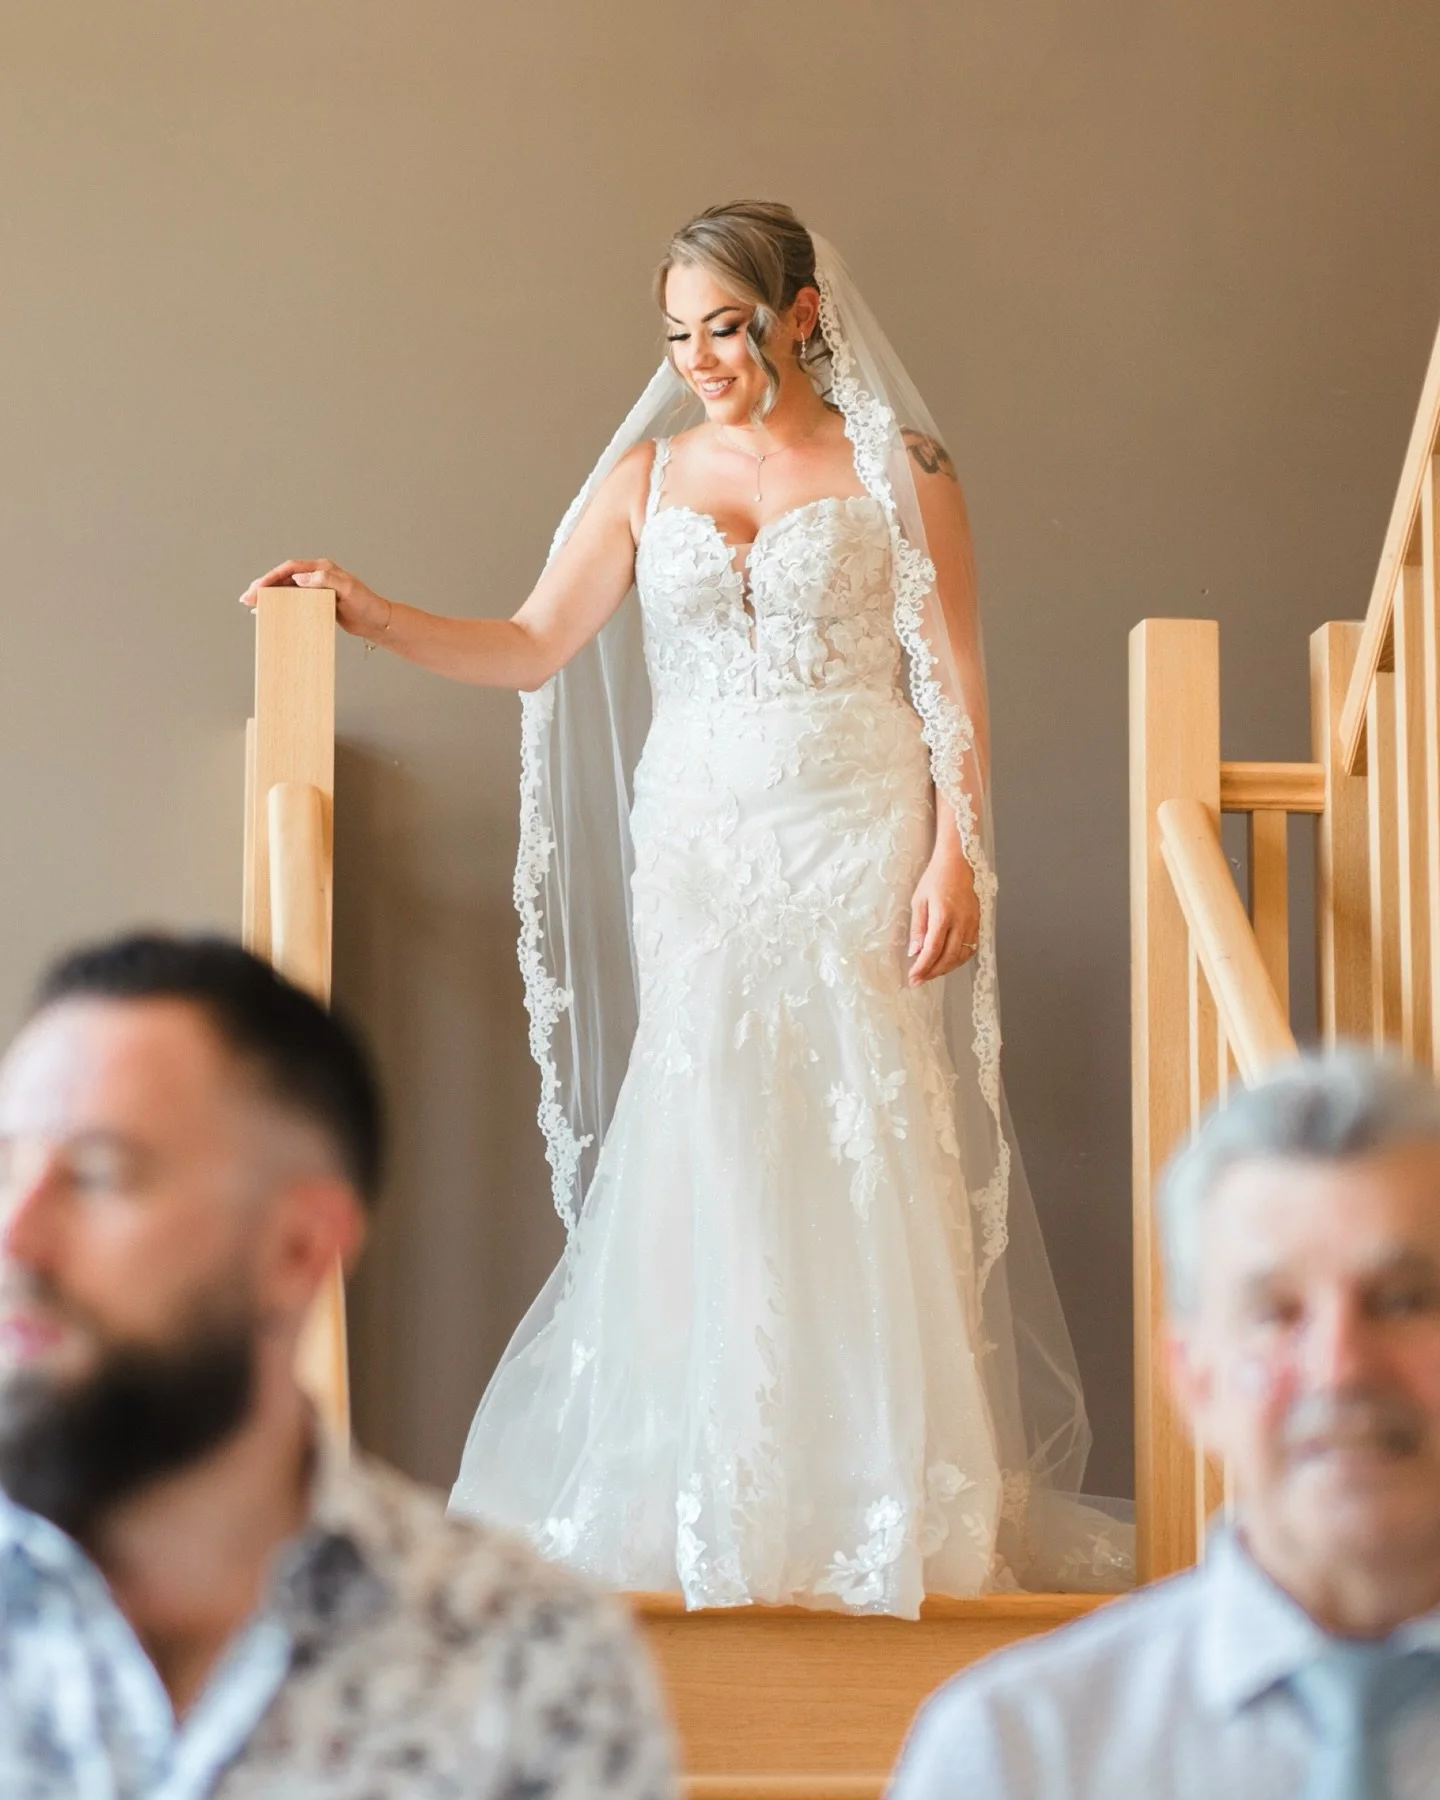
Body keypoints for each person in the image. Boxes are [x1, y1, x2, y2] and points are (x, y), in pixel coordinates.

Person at [242, 199, 1130, 1615]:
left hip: (855, 816)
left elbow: (953, 677)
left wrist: (961, 854)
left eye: (726, 326)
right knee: (708, 1113)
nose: (701, 357)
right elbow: (534, 646)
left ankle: (869, 1502)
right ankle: (708, 1493)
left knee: (855, 1121)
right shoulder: (647, 478)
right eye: (678, 332)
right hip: (705, 835)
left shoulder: (905, 472)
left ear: (800, 315)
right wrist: (370, 608)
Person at [0, 932, 675, 1799]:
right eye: (7, 1165)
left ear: (297, 1248)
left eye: (95, 1174)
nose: (16, 1237)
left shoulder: (531, 1663)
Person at [888, 1050, 1440, 1799]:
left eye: (1403, 1301)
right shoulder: (1012, 1755)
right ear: (1194, 1379)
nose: (1340, 1368)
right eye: (1275, 1314)